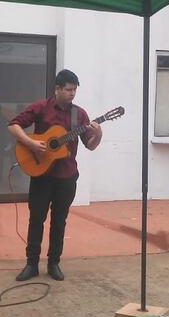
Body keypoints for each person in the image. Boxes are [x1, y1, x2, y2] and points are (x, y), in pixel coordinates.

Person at [8, 69, 102, 282]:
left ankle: (54, 263)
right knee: (36, 219)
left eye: (75, 90)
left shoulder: (79, 115)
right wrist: (30, 142)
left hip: (67, 176)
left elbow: (90, 146)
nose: (72, 94)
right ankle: (31, 264)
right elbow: (13, 125)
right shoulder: (41, 107)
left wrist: (99, 135)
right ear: (57, 89)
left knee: (59, 221)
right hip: (41, 174)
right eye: (68, 90)